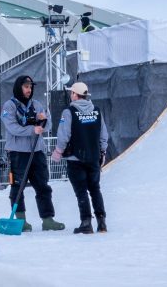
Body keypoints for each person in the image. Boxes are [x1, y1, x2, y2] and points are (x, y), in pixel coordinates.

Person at [1, 74, 65, 231]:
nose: (29, 90)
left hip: (37, 151)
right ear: (19, 87)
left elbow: (48, 125)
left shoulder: (36, 105)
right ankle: (21, 221)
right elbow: (12, 127)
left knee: (43, 185)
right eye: (26, 87)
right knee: (18, 186)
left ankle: (48, 219)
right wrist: (32, 129)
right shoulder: (9, 106)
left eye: (30, 87)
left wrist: (43, 120)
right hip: (18, 153)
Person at [52, 81, 109, 234]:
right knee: (95, 189)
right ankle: (101, 222)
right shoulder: (96, 111)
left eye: (72, 93)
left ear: (75, 95)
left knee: (81, 192)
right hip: (94, 158)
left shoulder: (69, 112)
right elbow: (103, 135)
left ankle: (86, 223)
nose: (71, 95)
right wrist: (102, 152)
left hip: (75, 159)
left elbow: (64, 135)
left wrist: (58, 152)